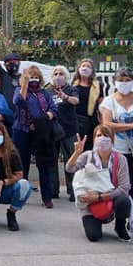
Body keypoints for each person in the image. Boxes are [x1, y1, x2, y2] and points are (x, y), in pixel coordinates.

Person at [65, 125, 133, 242]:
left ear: (112, 139)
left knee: (124, 201)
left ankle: (120, 225)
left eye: (106, 135)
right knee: (94, 236)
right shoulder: (87, 156)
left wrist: (98, 197)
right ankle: (94, 221)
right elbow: (69, 168)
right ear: (94, 139)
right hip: (89, 203)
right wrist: (76, 153)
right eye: (99, 135)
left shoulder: (120, 159)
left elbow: (124, 188)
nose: (102, 138)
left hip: (110, 199)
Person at [99, 67, 133, 222]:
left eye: (127, 80)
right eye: (120, 80)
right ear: (114, 82)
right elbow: (107, 124)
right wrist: (131, 126)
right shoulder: (109, 100)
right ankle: (118, 217)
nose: (124, 83)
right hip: (118, 150)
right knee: (119, 185)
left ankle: (132, 218)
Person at [12, 65, 58, 208]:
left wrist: (43, 119)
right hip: (22, 131)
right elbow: (19, 101)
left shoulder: (45, 93)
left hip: (41, 132)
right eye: (31, 77)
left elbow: (54, 109)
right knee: (22, 164)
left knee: (43, 165)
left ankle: (47, 197)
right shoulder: (19, 90)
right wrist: (25, 84)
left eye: (36, 77)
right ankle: (21, 195)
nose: (34, 79)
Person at [47, 65, 79, 201]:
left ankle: (72, 191)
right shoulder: (47, 90)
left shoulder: (71, 89)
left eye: (61, 74)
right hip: (52, 130)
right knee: (52, 160)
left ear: (65, 76)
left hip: (69, 130)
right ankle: (53, 190)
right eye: (55, 73)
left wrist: (65, 96)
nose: (58, 76)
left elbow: (76, 101)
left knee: (71, 161)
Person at [71, 58, 102, 151]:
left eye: (88, 66)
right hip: (75, 121)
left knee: (89, 148)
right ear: (78, 68)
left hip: (91, 121)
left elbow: (101, 103)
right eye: (83, 66)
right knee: (75, 149)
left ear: (92, 70)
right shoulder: (73, 84)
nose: (85, 68)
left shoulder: (98, 85)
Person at [0, 34, 23, 110]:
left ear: (19, 63)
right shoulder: (2, 75)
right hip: (5, 115)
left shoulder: (24, 78)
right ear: (4, 65)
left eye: (14, 61)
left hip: (21, 116)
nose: (12, 63)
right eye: (9, 62)